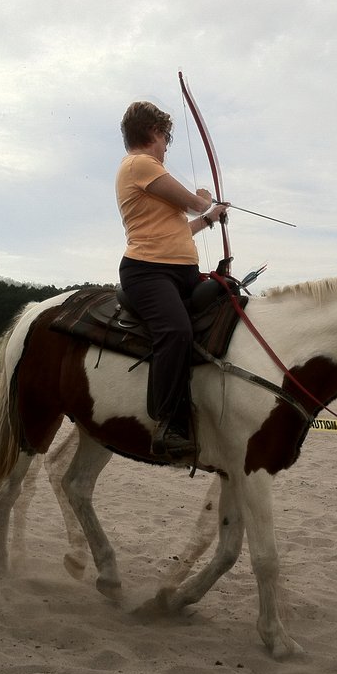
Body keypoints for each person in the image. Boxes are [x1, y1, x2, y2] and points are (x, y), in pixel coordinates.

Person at [116, 100, 228, 460]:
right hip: (148, 272)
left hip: (180, 273)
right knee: (176, 331)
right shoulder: (139, 163)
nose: (166, 147)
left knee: (228, 301)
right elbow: (194, 203)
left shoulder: (147, 172)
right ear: (154, 132)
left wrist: (210, 219)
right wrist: (206, 200)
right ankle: (168, 423)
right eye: (165, 138)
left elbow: (179, 227)